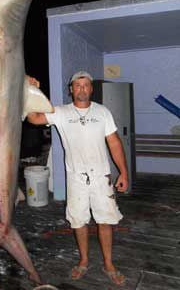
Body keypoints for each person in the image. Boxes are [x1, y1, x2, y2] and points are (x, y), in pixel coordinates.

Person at [27, 71, 128, 286]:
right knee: (78, 222)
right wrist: (32, 90)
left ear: (91, 89)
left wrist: (124, 172)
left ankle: (108, 263)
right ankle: (83, 261)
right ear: (71, 89)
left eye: (86, 85)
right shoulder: (61, 112)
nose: (81, 88)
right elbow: (33, 118)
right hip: (76, 179)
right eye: (77, 85)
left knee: (105, 221)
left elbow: (115, 143)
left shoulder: (103, 112)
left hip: (101, 177)